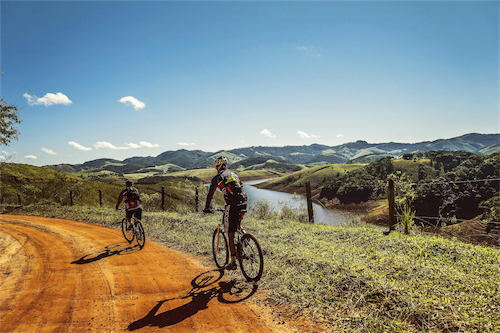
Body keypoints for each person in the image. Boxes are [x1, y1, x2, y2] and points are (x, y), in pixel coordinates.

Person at [203, 156, 248, 270]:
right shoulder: (234, 175)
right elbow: (241, 188)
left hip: (232, 206)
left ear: (217, 167)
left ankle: (232, 262)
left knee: (230, 234)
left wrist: (207, 208)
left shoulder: (217, 178)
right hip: (243, 203)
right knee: (237, 225)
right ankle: (245, 236)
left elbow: (210, 195)